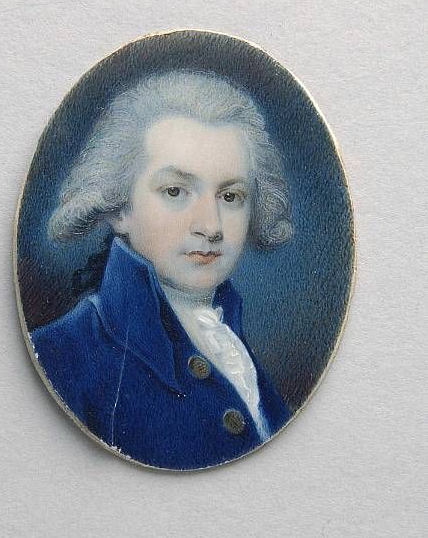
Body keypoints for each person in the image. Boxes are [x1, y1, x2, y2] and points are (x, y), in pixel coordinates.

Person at [31, 70, 293, 469]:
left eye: (230, 196)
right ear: (119, 207)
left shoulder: (231, 345)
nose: (211, 226)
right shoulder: (58, 356)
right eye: (175, 191)